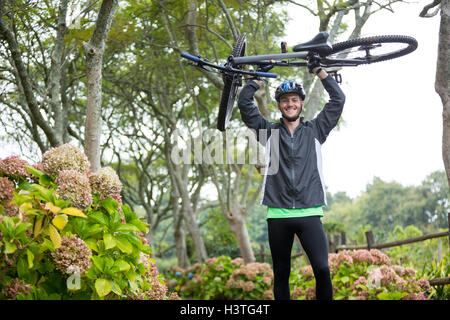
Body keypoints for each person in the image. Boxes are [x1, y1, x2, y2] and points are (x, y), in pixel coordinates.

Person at [237, 56, 345, 300]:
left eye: (294, 100)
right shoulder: (270, 133)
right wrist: (255, 80)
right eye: (285, 101)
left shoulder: (316, 130)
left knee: (322, 269)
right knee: (282, 274)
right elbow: (246, 107)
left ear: (302, 104)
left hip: (309, 211)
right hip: (278, 214)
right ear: (279, 106)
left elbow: (338, 100)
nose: (290, 104)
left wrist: (320, 71)